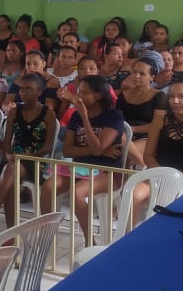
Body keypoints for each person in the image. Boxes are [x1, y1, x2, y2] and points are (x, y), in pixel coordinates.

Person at [41, 75, 125, 244]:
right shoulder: (75, 116)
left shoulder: (113, 116)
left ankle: (89, 241)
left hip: (107, 171)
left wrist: (86, 118)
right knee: (48, 186)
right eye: (79, 91)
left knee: (77, 193)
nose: (79, 96)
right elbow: (68, 150)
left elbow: (98, 148)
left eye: (84, 92)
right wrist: (100, 151)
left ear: (98, 95)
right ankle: (46, 234)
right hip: (80, 168)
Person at [0, 73, 56, 238]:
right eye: (21, 89)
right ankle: (11, 233)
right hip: (13, 158)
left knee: (10, 171)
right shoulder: (14, 112)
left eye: (29, 89)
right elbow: (7, 141)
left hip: (35, 160)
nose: (23, 93)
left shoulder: (48, 114)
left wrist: (27, 157)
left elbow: (48, 147)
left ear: (39, 91)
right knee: (11, 176)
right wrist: (8, 153)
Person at [115, 56, 167, 168]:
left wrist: (133, 129)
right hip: (123, 135)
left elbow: (158, 124)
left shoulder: (159, 96)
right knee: (120, 143)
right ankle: (143, 168)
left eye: (142, 74)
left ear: (152, 77)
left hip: (147, 136)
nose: (136, 76)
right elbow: (116, 119)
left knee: (127, 155)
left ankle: (143, 168)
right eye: (134, 72)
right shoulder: (123, 95)